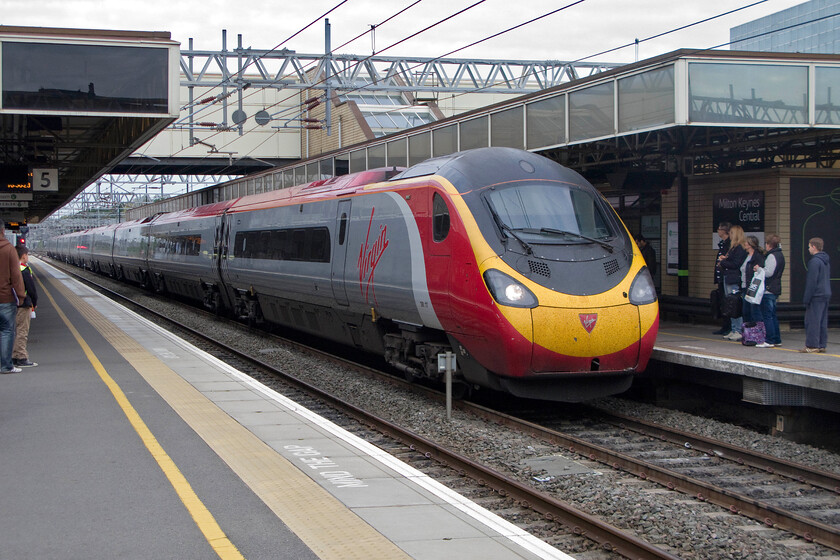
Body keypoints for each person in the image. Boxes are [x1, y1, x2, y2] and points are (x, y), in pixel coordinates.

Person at [0, 225, 25, 374]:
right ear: (3, 231)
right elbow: (16, 276)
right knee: (6, 331)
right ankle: (6, 366)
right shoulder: (9, 249)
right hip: (5, 298)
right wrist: (21, 296)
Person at [801, 237, 831, 353]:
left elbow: (812, 282)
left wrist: (806, 298)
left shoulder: (814, 261)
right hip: (825, 293)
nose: (808, 249)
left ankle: (812, 345)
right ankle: (822, 344)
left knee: (812, 321)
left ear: (814, 247)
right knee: (822, 320)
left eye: (809, 247)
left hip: (816, 295)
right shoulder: (825, 260)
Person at [755, 235, 785, 348]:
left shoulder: (772, 256)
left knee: (767, 315)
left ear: (769, 245)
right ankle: (777, 339)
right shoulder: (780, 255)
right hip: (776, 287)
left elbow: (768, 273)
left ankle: (770, 340)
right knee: (773, 315)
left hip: (769, 288)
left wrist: (759, 269)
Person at [719, 225, 747, 340]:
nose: (729, 235)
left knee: (735, 303)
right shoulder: (732, 248)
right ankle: (733, 328)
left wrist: (724, 262)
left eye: (731, 233)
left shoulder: (740, 248)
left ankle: (738, 330)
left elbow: (736, 264)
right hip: (728, 277)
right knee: (729, 303)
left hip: (734, 278)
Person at [13, 245, 37, 367]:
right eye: (27, 255)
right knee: (22, 331)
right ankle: (21, 357)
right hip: (24, 304)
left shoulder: (12, 268)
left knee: (14, 331)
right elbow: (31, 289)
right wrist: (35, 302)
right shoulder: (24, 270)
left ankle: (14, 356)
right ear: (23, 256)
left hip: (13, 303)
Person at [740, 236, 765, 343]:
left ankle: (757, 334)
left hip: (752, 286)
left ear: (750, 244)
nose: (744, 244)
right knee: (745, 310)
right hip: (744, 285)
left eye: (746, 242)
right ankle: (747, 333)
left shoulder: (757, 256)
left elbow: (760, 270)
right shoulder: (746, 256)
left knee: (753, 310)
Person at [712, 222, 732, 335]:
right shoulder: (722, 244)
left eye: (719, 229)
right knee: (722, 302)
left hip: (726, 277)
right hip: (721, 278)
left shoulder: (728, 245)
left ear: (724, 231)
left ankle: (728, 326)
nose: (718, 231)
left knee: (727, 302)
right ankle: (725, 326)